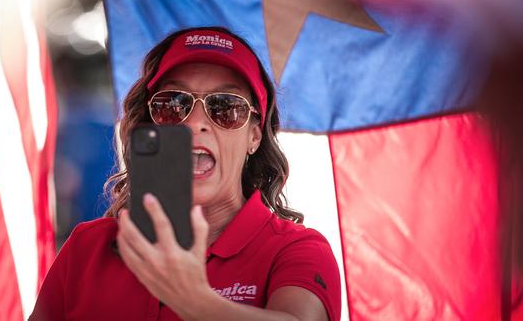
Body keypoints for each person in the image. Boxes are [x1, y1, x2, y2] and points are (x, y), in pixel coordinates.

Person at [31, 27, 341, 320]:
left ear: (254, 137)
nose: (195, 123)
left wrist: (194, 302)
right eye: (173, 104)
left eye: (226, 107)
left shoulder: (296, 249)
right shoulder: (87, 247)